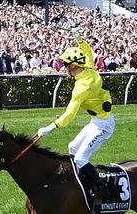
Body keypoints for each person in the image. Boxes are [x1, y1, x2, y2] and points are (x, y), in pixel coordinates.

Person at [37, 30, 115, 203]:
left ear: (73, 67)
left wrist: (52, 126)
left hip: (104, 125)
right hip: (97, 121)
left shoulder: (81, 88)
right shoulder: (88, 67)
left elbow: (70, 114)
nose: (64, 68)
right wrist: (79, 39)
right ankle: (82, 179)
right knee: (73, 148)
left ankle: (101, 187)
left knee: (80, 158)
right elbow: (87, 50)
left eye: (66, 65)